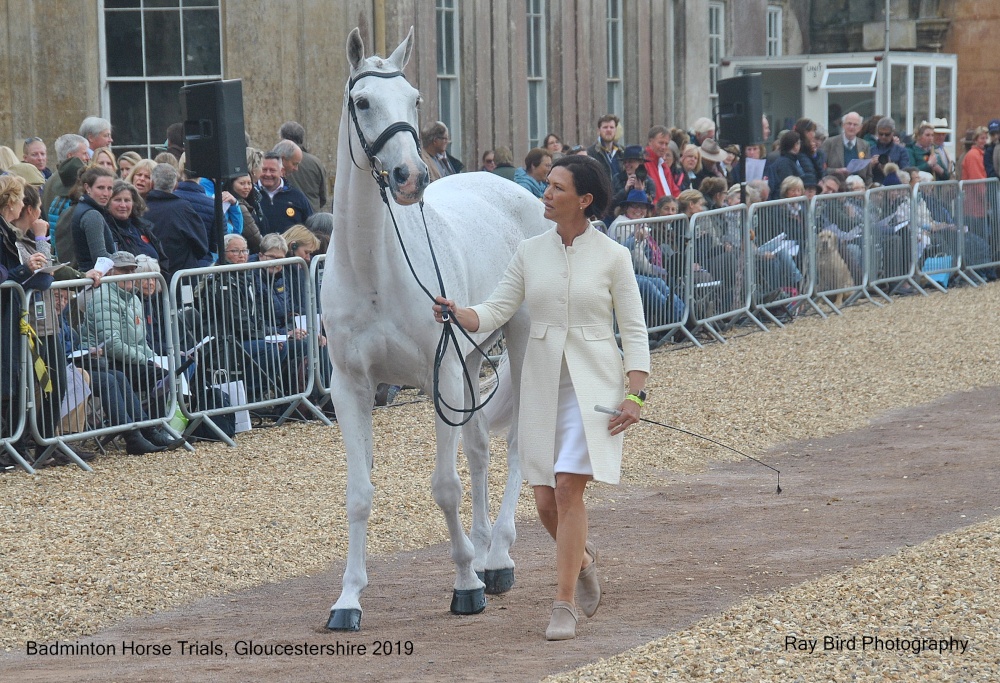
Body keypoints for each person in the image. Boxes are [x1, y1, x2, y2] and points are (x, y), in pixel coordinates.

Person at [432, 154, 650, 641]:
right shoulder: (529, 251)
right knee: (545, 501)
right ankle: (584, 560)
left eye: (556, 188)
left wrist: (636, 395)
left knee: (570, 489)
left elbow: (634, 331)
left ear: (584, 200)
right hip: (540, 385)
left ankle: (563, 603)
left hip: (594, 389)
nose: (545, 194)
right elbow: (495, 310)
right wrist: (458, 312)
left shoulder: (614, 257)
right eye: (546, 184)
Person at [143, 163, 213, 281]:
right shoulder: (183, 209)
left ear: (152, 183)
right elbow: (201, 245)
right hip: (181, 277)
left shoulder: (142, 209)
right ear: (176, 185)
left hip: (152, 278)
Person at [105, 179, 165, 265]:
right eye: (117, 200)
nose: (123, 205)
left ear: (134, 203)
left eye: (127, 200)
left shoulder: (143, 227)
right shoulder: (106, 230)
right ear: (107, 202)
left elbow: (163, 259)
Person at [68, 165, 117, 270]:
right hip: (95, 275)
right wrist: (125, 262)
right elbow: (101, 257)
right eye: (100, 188)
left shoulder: (84, 208)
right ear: (87, 188)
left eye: (109, 188)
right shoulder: (92, 214)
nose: (106, 193)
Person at [257, 152, 313, 234]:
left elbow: (310, 227)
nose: (268, 174)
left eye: (272, 170)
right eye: (264, 170)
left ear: (281, 171)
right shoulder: (250, 194)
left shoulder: (297, 197)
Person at [278, 122, 328, 212]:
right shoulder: (316, 163)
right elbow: (323, 197)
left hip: (286, 213)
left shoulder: (275, 161)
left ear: (283, 139)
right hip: (312, 214)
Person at [822, 111, 871, 180]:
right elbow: (822, 169)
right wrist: (837, 171)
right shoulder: (830, 143)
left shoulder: (865, 145)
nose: (851, 127)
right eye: (849, 123)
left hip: (859, 186)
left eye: (855, 124)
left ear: (860, 128)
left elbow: (868, 174)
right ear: (843, 125)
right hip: (837, 185)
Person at [610, 145, 656, 216]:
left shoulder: (648, 181)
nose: (627, 165)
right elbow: (611, 203)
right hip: (620, 218)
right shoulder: (617, 178)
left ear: (641, 163)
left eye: (630, 161)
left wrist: (641, 192)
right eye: (625, 162)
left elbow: (650, 205)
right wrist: (625, 190)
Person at [586, 114, 624, 179]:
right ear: (598, 131)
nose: (608, 130)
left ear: (615, 130)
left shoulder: (622, 152)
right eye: (605, 127)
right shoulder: (590, 153)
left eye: (611, 127)